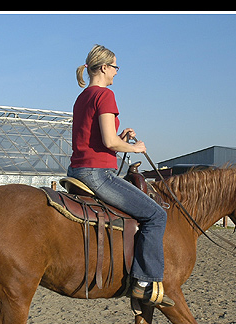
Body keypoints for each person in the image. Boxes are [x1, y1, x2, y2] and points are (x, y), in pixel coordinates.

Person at [68, 44, 173, 307]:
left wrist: (120, 138)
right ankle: (144, 283)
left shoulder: (82, 97)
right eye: (115, 67)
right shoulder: (105, 95)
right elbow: (109, 142)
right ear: (103, 67)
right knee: (157, 215)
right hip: (97, 174)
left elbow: (101, 139)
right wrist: (134, 147)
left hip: (77, 170)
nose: (116, 72)